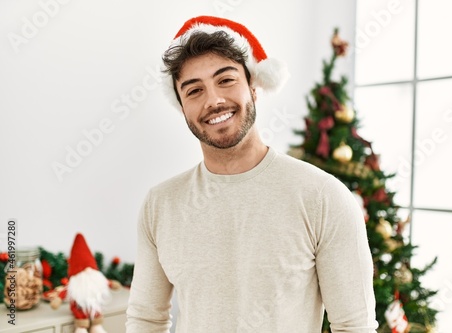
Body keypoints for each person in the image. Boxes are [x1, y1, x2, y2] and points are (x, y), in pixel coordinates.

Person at [126, 15, 378, 333]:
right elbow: (146, 319)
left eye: (226, 80)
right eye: (194, 91)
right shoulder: (160, 204)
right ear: (181, 107)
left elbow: (354, 326)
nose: (214, 100)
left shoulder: (322, 196)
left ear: (254, 87)